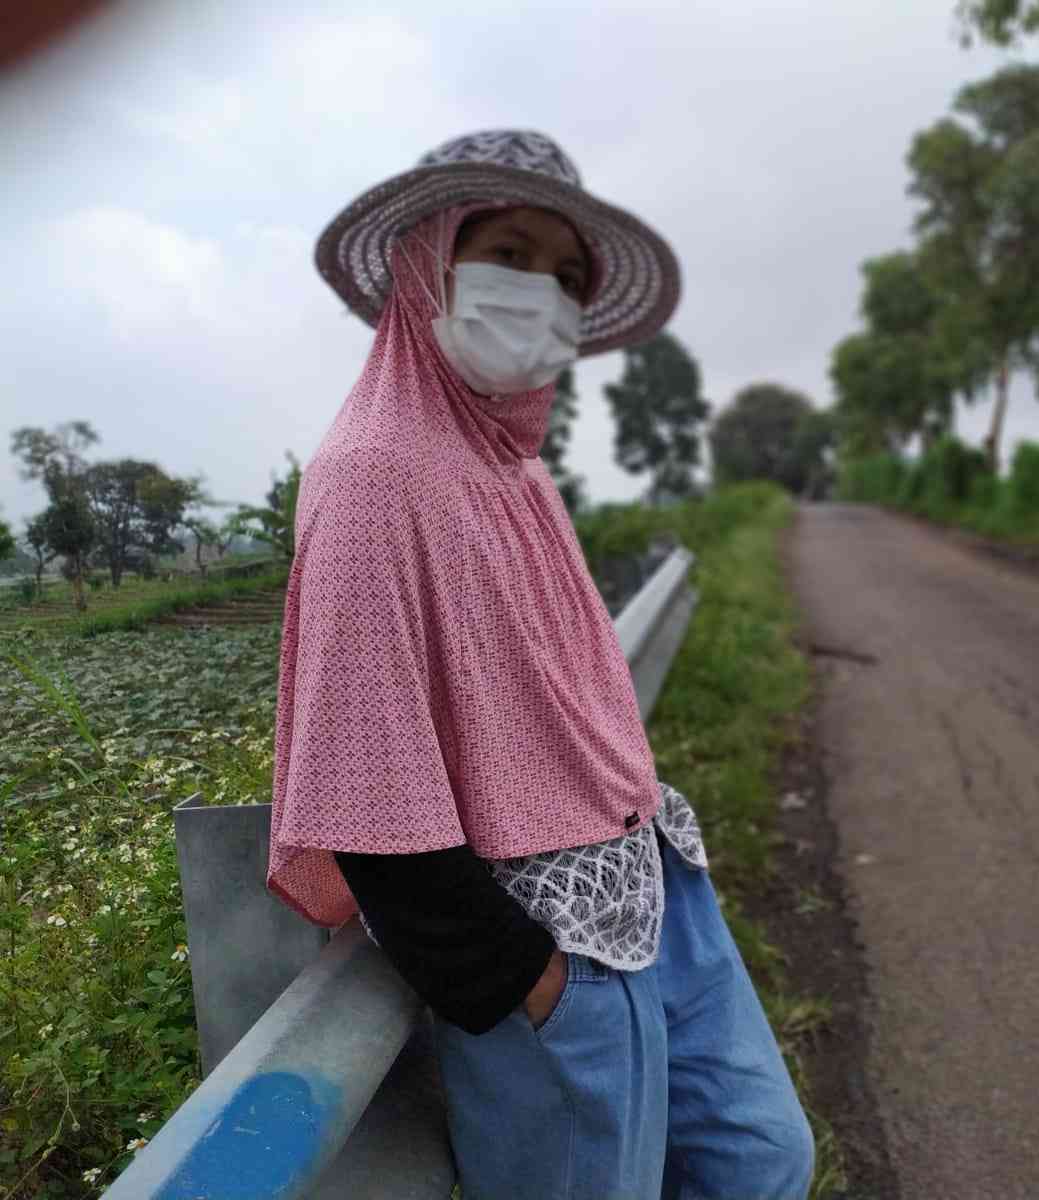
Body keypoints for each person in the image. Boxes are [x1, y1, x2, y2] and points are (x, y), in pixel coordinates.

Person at [265, 129, 814, 1200]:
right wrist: (532, 982)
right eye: (510, 255)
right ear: (431, 265)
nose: (543, 296)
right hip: (546, 943)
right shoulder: (376, 479)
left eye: (568, 277)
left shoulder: (513, 469)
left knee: (762, 1160)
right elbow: (370, 803)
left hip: (652, 884)